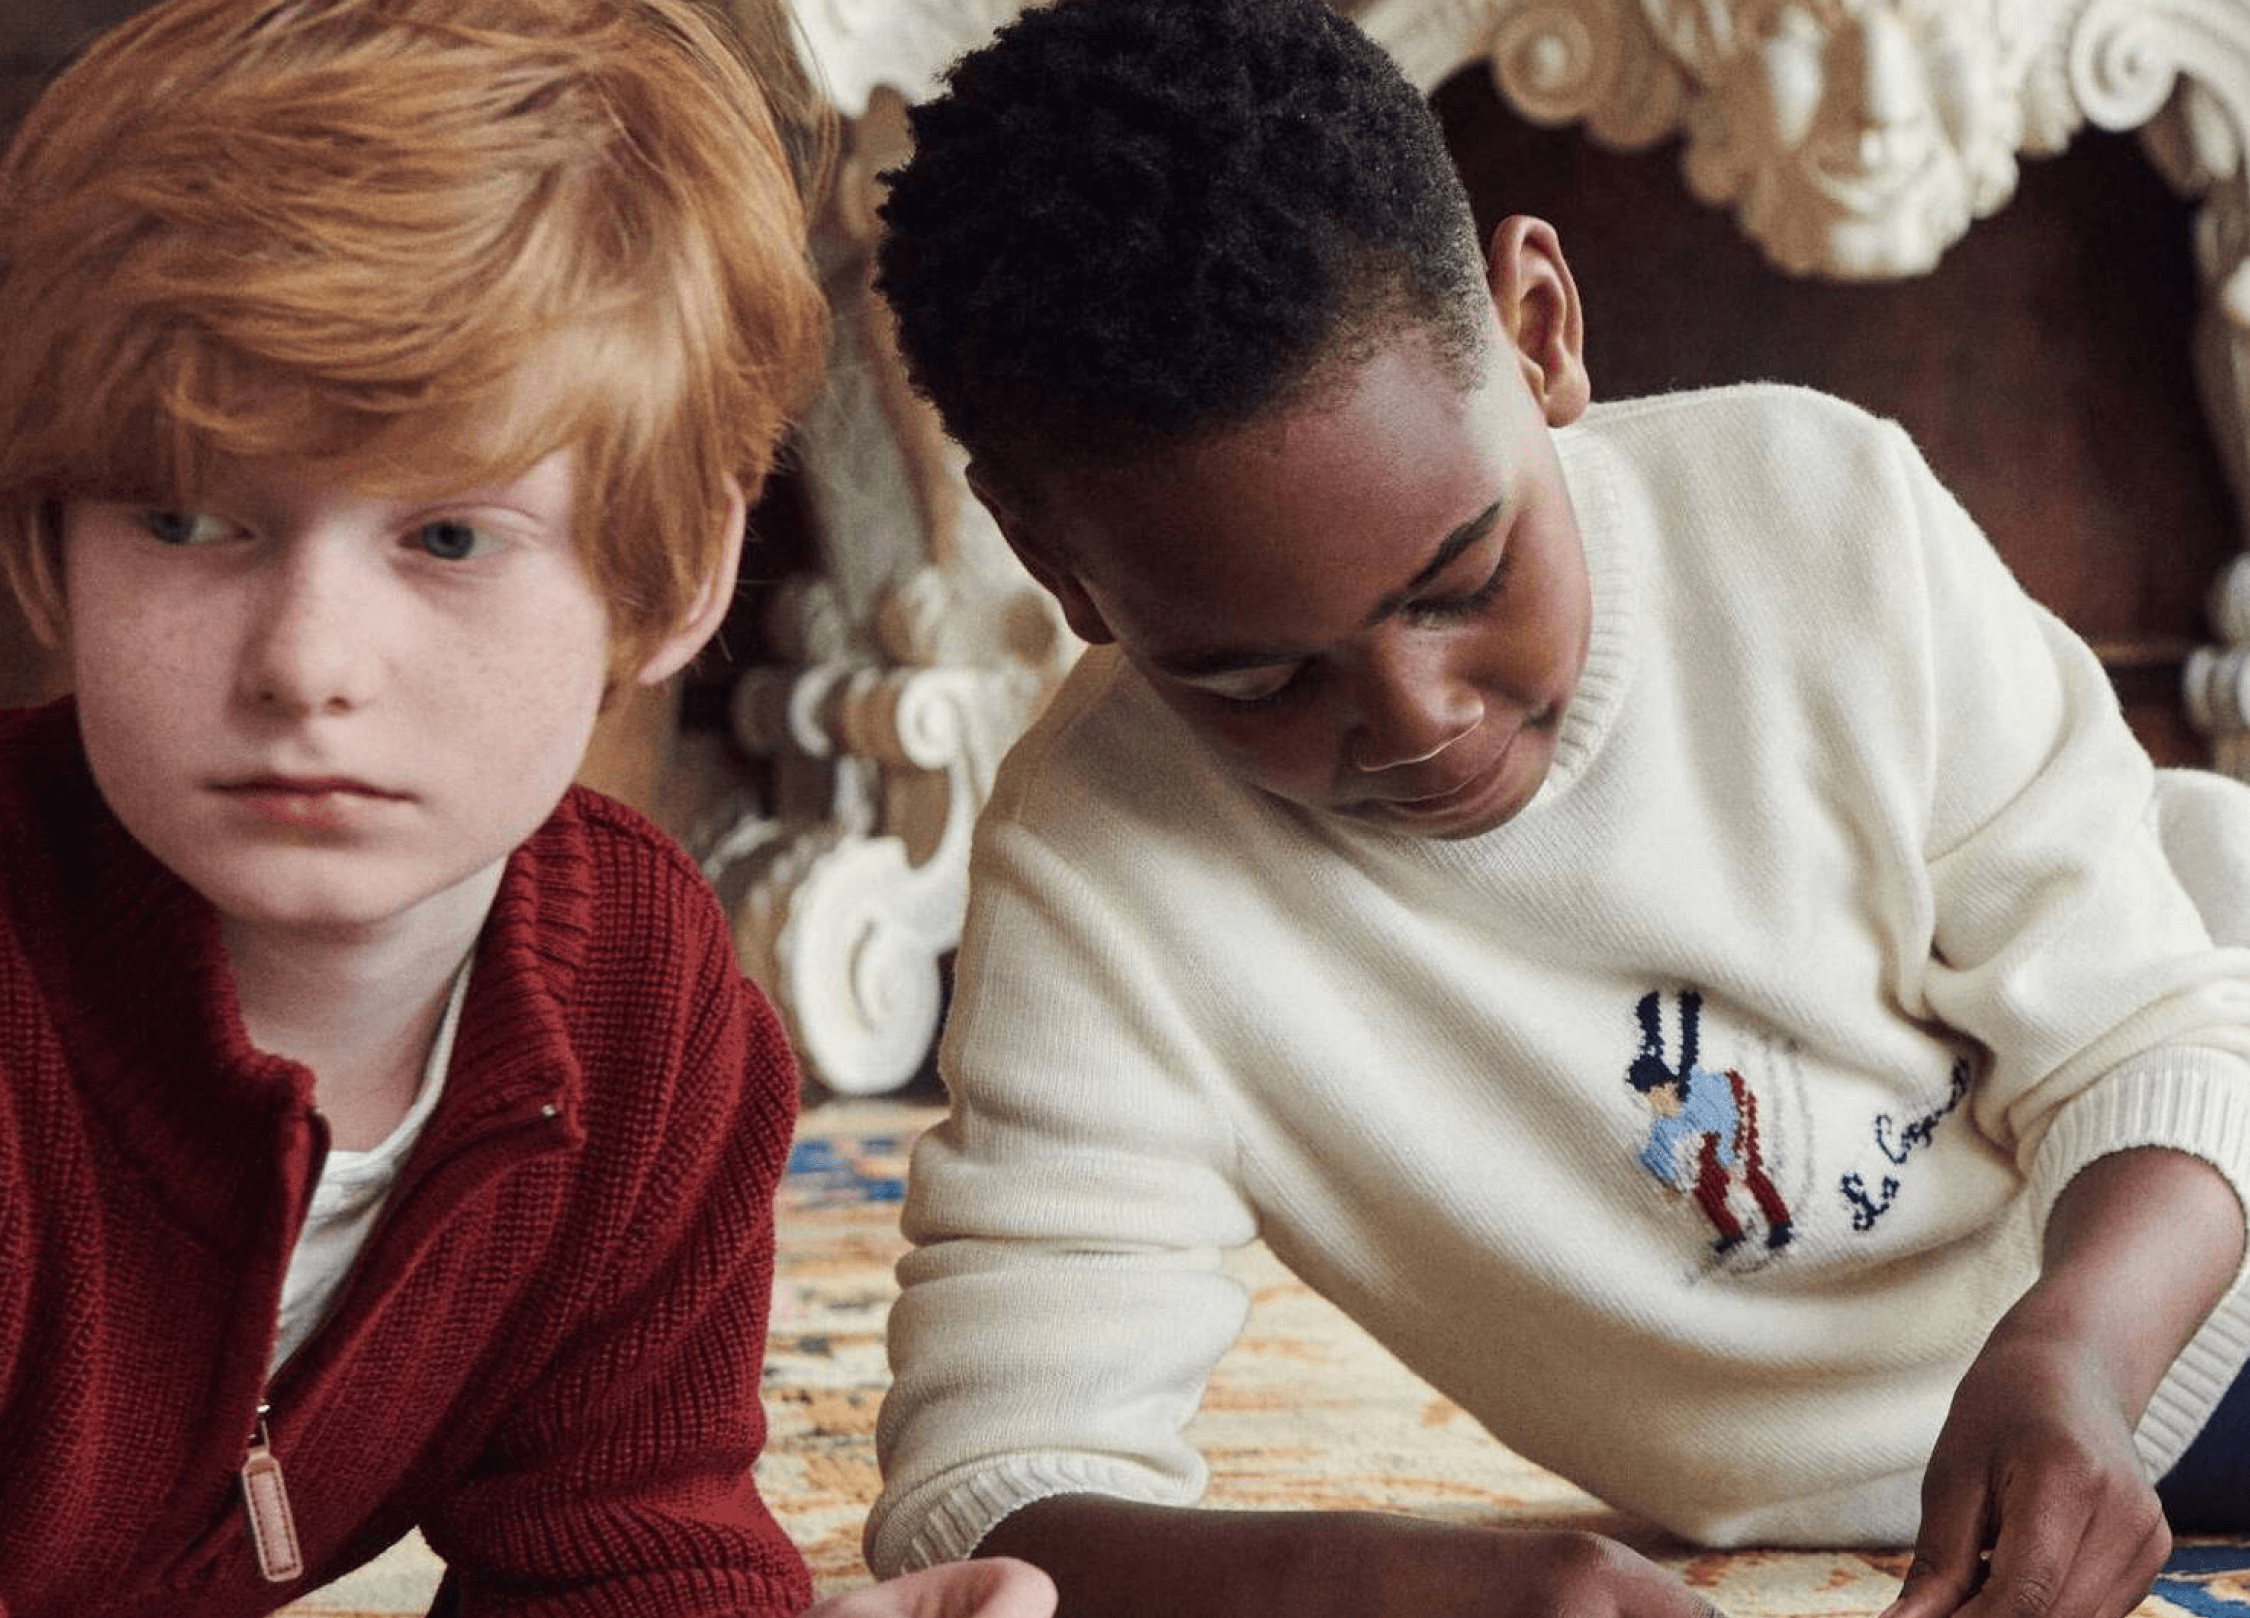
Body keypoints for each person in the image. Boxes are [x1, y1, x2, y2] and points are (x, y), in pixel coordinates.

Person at [858, 0, 2250, 1614]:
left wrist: (2069, 1355)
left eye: (1464, 576)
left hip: (2181, 1234)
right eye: (1251, 679)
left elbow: (2152, 1031)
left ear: (1537, 327)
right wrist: (1414, 1583)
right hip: (1923, 1464)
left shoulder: (1822, 512)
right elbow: (979, 1497)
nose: (1412, 720)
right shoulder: (1096, 875)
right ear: (1053, 566)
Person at [0, 2, 1056, 1615]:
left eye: (448, 538)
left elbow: (619, 1530)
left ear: (678, 574)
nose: (308, 665)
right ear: (46, 543)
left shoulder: (636, 992)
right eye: (188, 516)